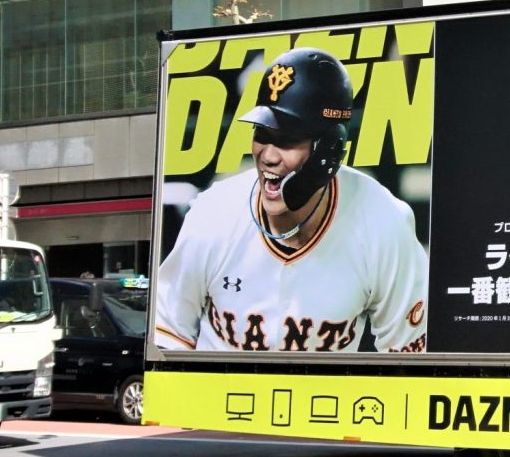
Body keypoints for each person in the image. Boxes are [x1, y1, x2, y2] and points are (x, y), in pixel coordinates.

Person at [154, 47, 429, 353]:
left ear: (328, 151)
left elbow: (408, 354)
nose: (268, 156)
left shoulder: (382, 223)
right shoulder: (215, 213)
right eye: (262, 134)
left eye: (287, 140)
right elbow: (167, 332)